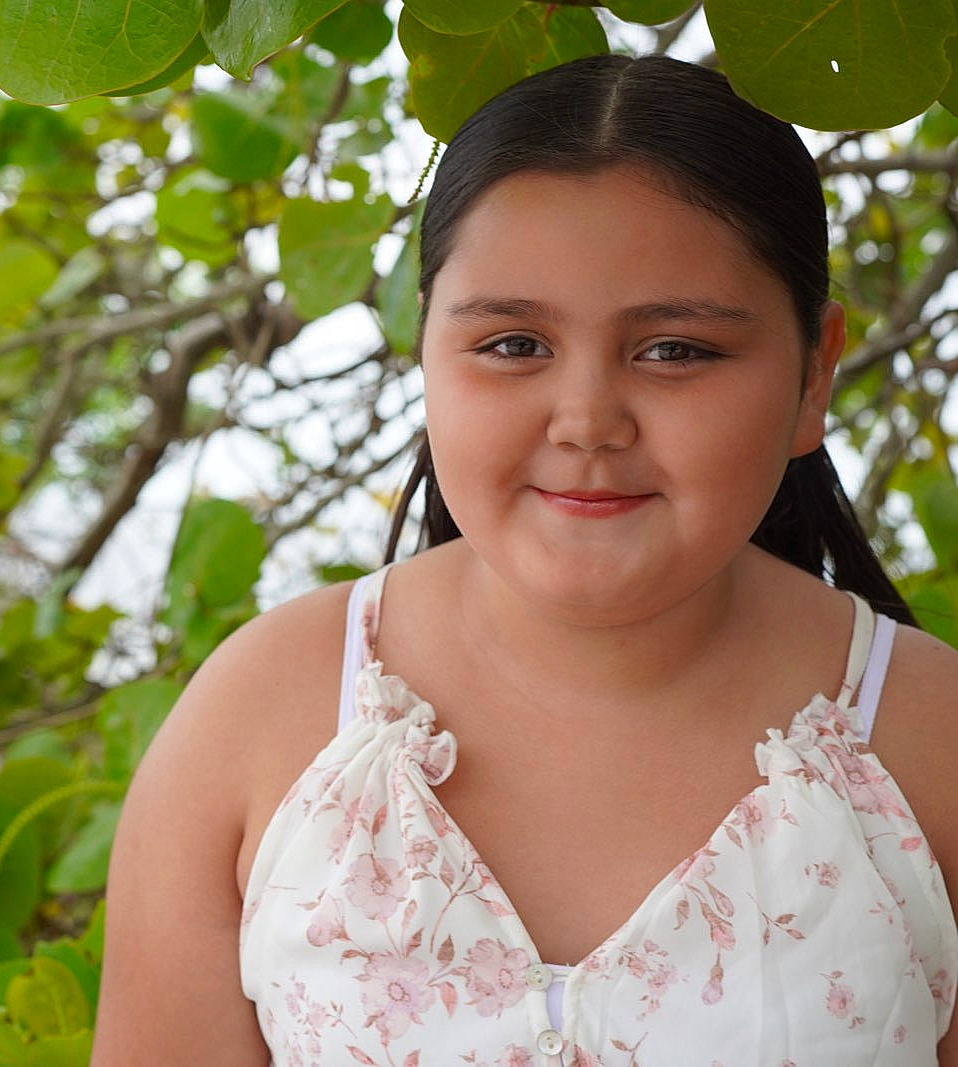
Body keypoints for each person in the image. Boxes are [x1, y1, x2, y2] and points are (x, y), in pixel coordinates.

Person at [91, 53, 958, 1065]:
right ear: (425, 354)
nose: (587, 420)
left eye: (674, 349)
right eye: (512, 344)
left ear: (813, 375)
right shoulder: (262, 716)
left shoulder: (928, 742)